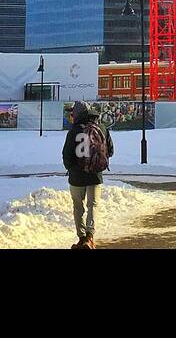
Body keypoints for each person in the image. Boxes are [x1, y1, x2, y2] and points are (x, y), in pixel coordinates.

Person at [62, 101, 113, 248]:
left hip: (77, 176)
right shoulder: (102, 128)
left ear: (77, 114)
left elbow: (67, 155)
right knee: (93, 205)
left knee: (78, 207)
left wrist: (72, 168)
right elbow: (111, 150)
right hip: (96, 175)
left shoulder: (73, 131)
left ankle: (82, 238)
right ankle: (90, 237)